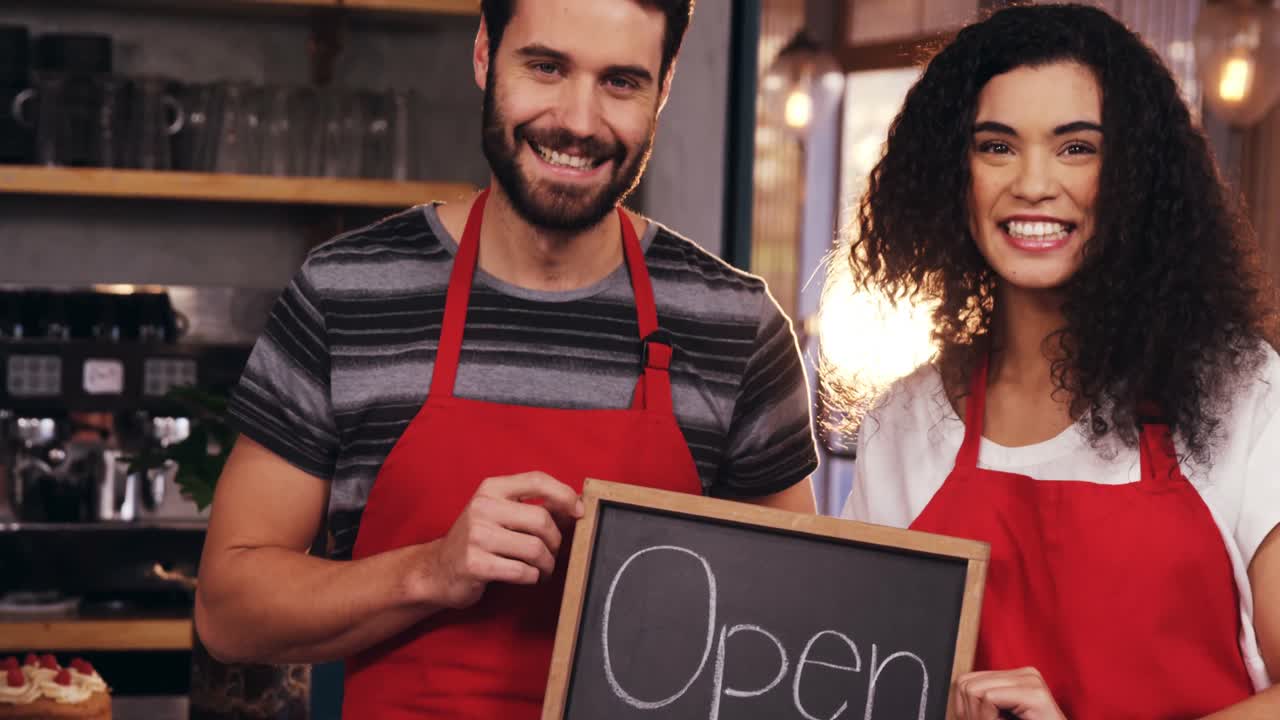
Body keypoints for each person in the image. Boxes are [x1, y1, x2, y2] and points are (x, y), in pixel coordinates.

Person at [193, 0, 819, 717]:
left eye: (621, 82)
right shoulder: (347, 293)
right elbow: (229, 611)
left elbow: (791, 637)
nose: (579, 122)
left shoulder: (735, 327)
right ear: (486, 53)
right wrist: (430, 570)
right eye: (546, 67)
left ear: (665, 86)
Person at [839, 4, 1279, 718]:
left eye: (1077, 148)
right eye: (996, 146)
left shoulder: (1240, 392)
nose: (1034, 183)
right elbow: (866, 687)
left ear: (1135, 177)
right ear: (955, 176)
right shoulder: (906, 423)